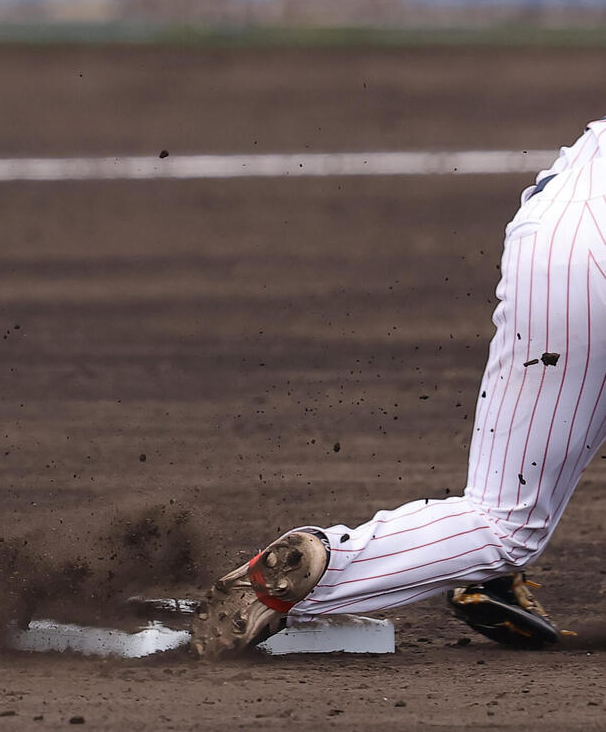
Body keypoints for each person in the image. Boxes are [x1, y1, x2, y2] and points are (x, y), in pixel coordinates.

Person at [192, 119, 605, 656]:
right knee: (510, 527)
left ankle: (462, 564)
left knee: (498, 508)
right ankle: (313, 579)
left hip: (556, 236)